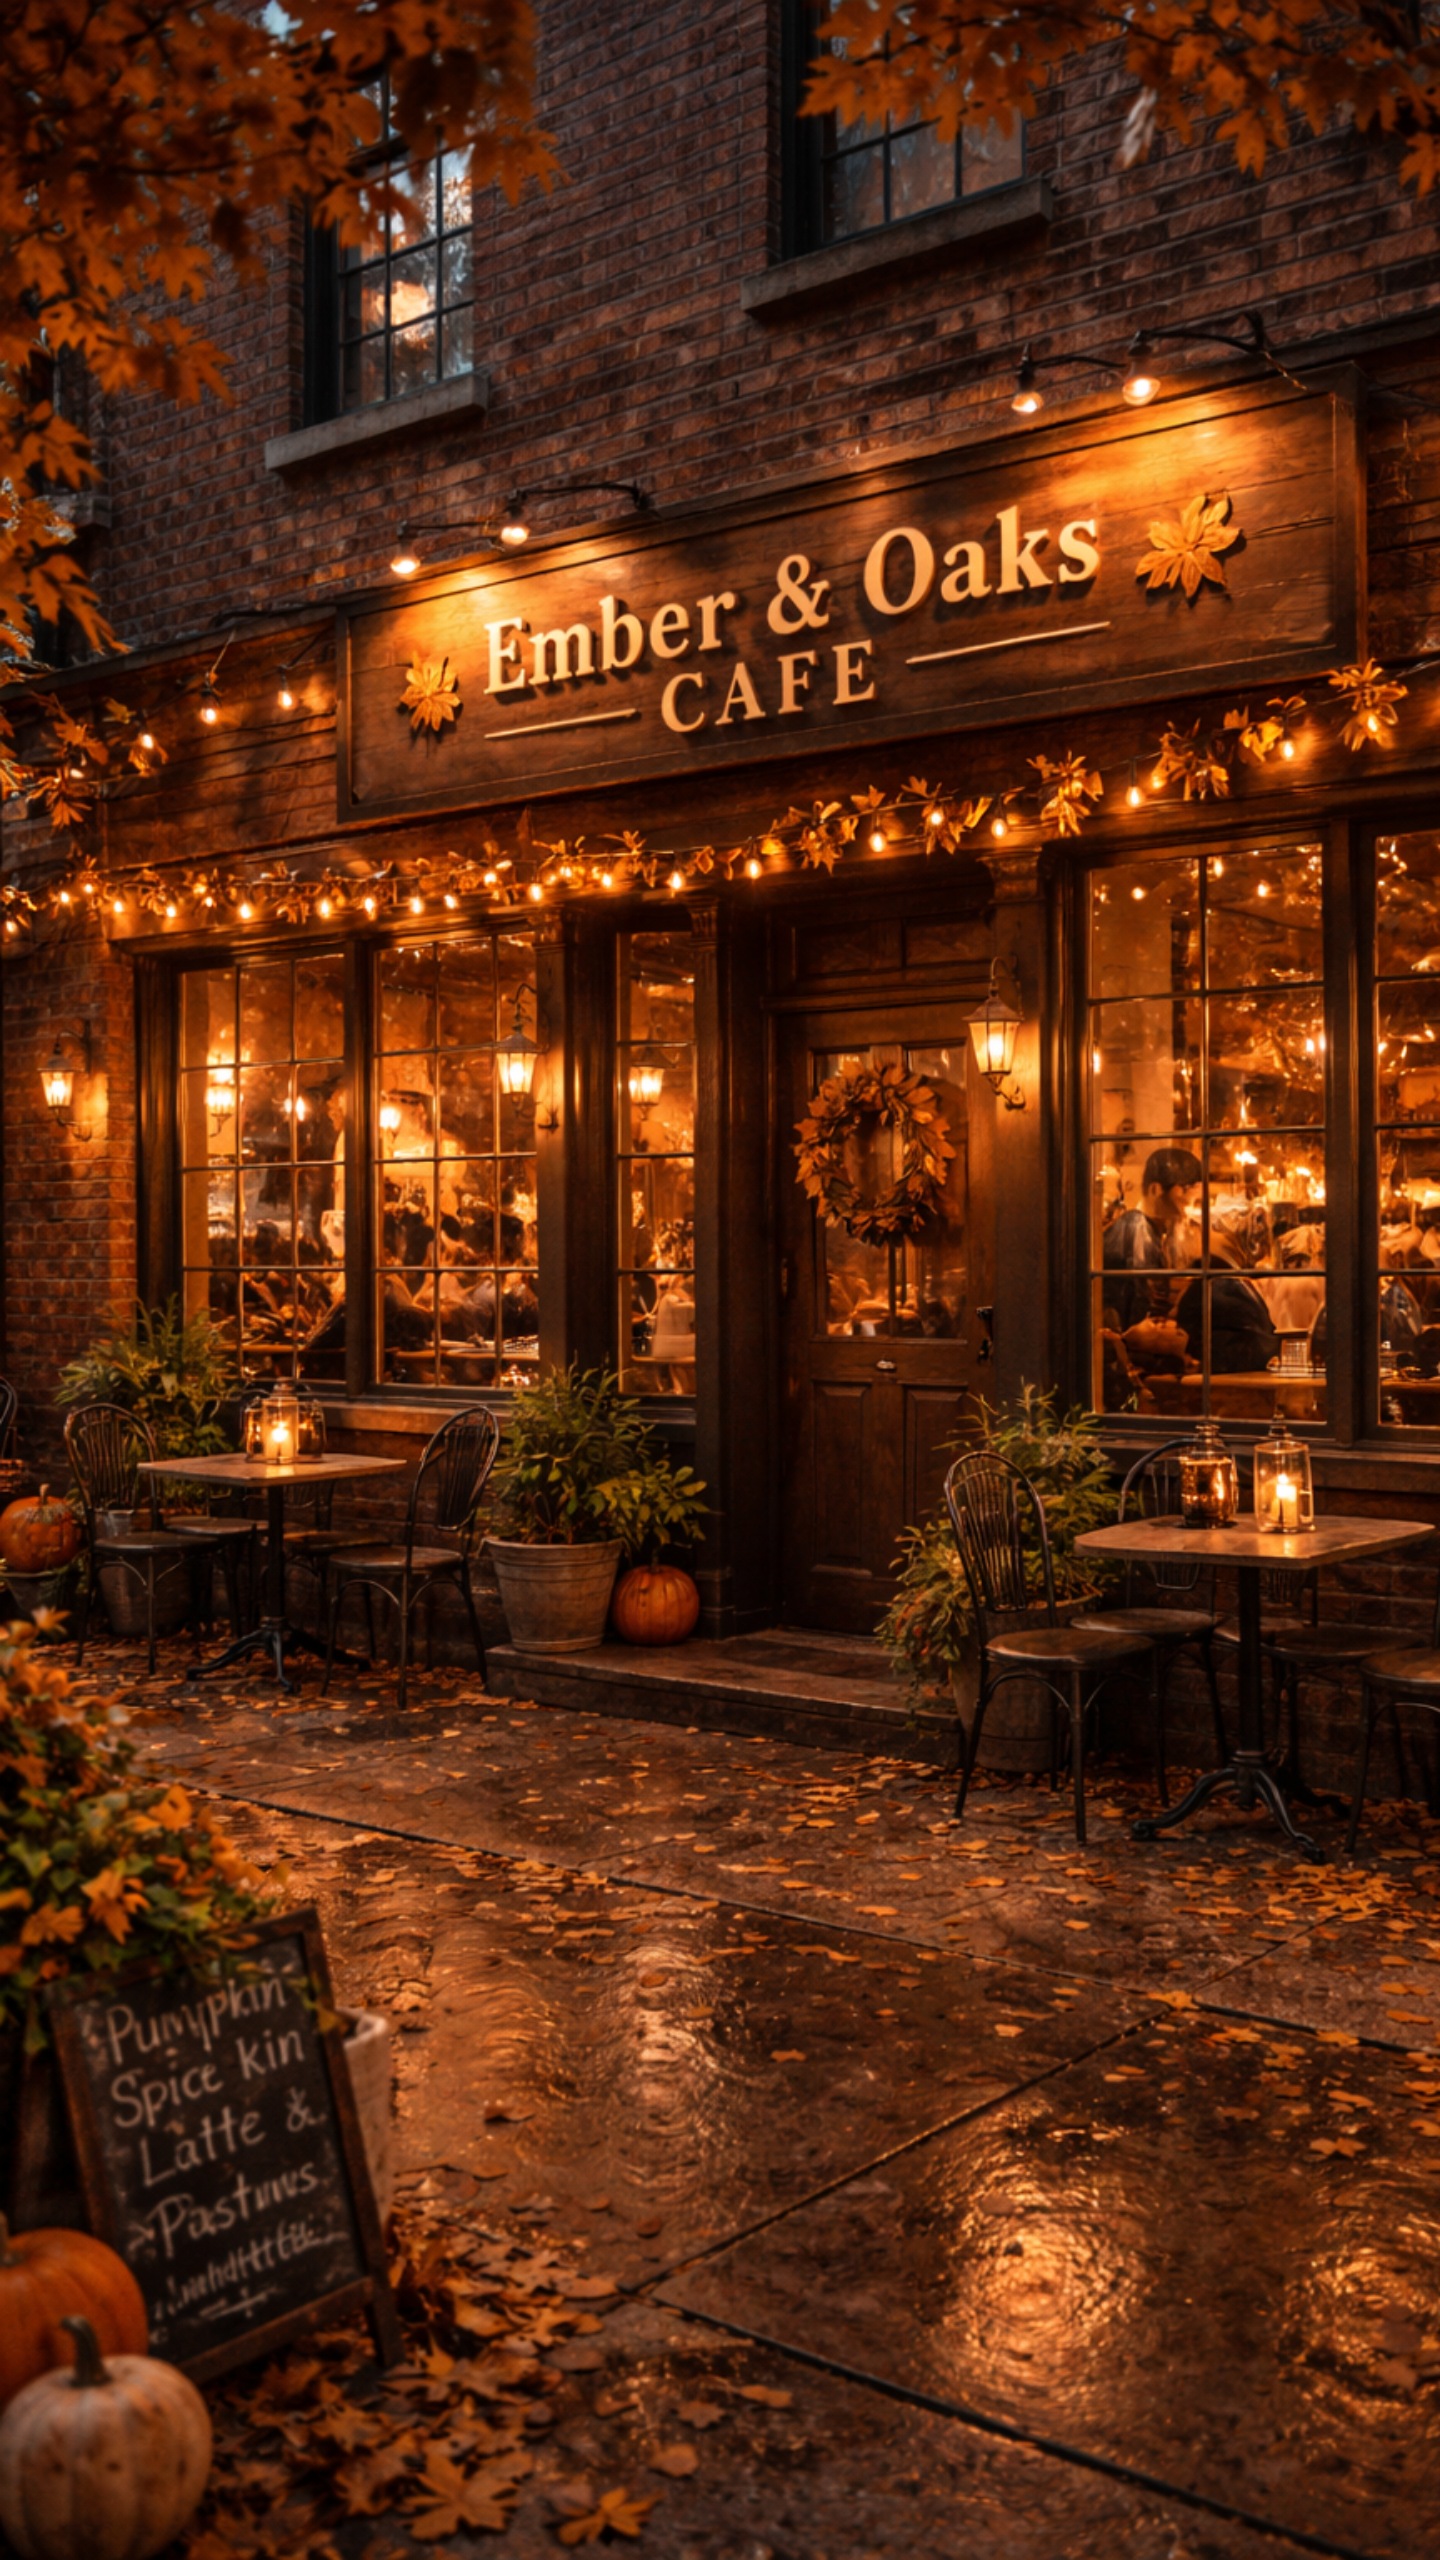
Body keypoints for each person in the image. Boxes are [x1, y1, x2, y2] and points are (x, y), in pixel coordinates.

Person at [1101, 1145, 1202, 1334]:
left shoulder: (1161, 1230)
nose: (1190, 1204)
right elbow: (1141, 1306)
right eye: (1185, 1192)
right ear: (1156, 1189)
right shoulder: (1137, 1228)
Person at [1178, 1221, 1280, 1375]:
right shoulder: (1237, 1283)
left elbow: (1186, 1327)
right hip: (1263, 1357)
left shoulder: (1207, 1286)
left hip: (1236, 1364)